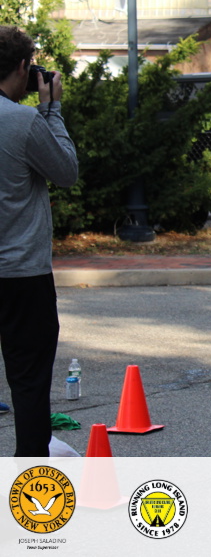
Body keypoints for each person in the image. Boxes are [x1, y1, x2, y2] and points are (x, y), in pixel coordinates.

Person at [0, 25, 78, 456]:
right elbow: (65, 172)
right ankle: (29, 480)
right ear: (21, 67)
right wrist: (51, 110)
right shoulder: (23, 120)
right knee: (28, 382)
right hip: (21, 275)